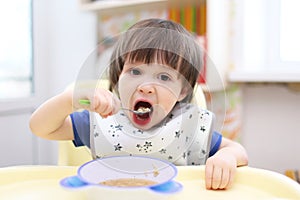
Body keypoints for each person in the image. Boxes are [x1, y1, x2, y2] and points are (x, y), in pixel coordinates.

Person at [30, 18, 248, 190]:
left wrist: (226, 157)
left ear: (182, 91)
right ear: (117, 78)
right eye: (135, 72)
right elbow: (41, 127)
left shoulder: (188, 126)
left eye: (163, 77)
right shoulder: (103, 121)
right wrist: (70, 100)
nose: (145, 87)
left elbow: (237, 150)